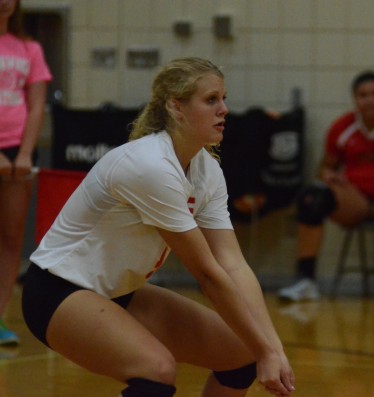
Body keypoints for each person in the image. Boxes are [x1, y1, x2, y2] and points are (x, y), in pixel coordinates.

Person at [21, 58, 295, 397]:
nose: (224, 109)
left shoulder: (206, 169)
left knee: (242, 353)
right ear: (176, 107)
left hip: (121, 292)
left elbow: (233, 264)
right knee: (157, 370)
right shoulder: (149, 165)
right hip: (58, 292)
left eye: (224, 99)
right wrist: (267, 350)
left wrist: (271, 347)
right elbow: (208, 273)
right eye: (211, 100)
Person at [278, 70, 374, 303]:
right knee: (313, 198)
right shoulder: (343, 127)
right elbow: (324, 170)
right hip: (355, 200)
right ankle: (305, 279)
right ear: (355, 99)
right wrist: (330, 177)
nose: (370, 100)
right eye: (363, 95)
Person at [0, 0, 51, 345]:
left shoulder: (29, 48)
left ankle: (0, 318)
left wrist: (26, 152)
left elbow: (35, 106)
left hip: (16, 152)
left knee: (11, 237)